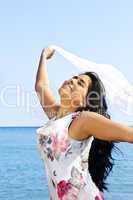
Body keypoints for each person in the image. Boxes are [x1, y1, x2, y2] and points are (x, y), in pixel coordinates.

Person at [35, 47, 133, 200]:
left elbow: (130, 135)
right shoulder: (56, 116)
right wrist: (44, 55)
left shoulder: (83, 120)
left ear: (86, 100)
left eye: (80, 83)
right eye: (74, 77)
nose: (72, 80)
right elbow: (41, 86)